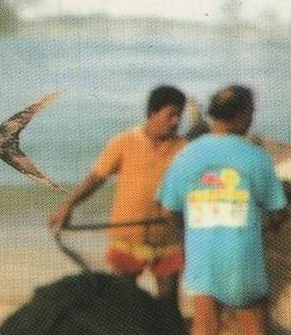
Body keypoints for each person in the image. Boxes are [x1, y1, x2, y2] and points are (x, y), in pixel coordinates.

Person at [157, 86, 287, 335]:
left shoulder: (186, 155)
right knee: (255, 331)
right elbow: (278, 209)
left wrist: (188, 235)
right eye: (251, 114)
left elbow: (167, 209)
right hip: (243, 252)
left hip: (202, 253)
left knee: (205, 332)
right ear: (242, 115)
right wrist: (268, 228)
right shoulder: (255, 156)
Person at [48, 86, 188, 305]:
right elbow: (95, 179)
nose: (176, 121)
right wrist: (68, 206)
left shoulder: (185, 149)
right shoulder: (124, 142)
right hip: (126, 238)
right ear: (153, 113)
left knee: (169, 304)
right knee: (122, 302)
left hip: (168, 239)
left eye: (180, 115)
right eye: (171, 114)